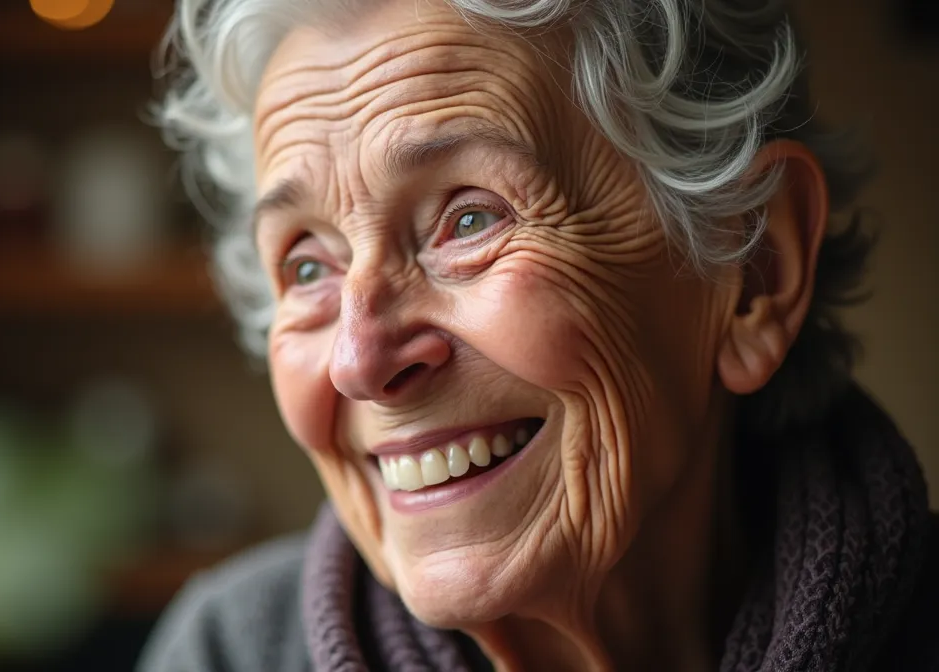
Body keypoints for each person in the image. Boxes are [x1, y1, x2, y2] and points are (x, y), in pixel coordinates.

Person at [138, 0, 939, 669]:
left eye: (470, 218)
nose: (359, 360)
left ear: (755, 271)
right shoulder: (226, 652)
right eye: (308, 266)